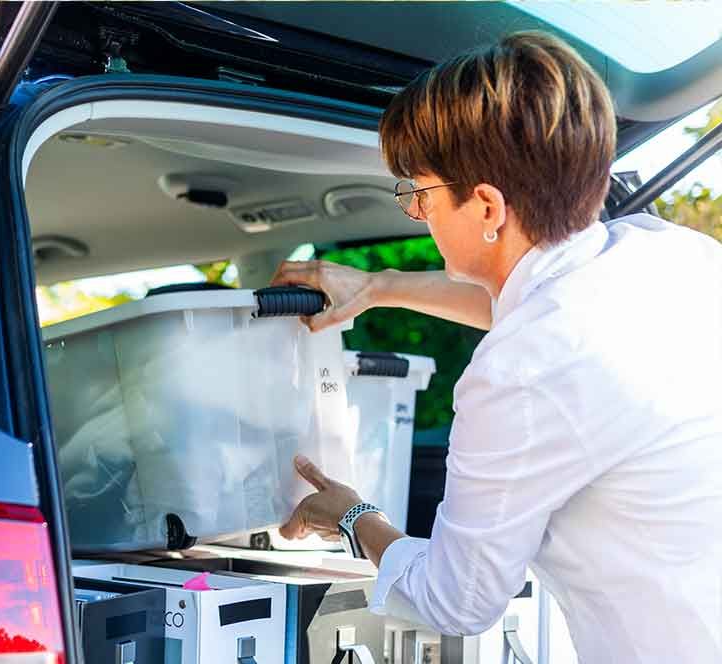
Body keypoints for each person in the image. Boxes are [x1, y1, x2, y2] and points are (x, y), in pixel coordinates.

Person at [272, 31, 722, 663]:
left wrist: (351, 515)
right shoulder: (669, 255)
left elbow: (457, 601)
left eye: (420, 195)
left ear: (486, 205)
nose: (420, 215)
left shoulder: (523, 366)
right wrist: (376, 287)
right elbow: (523, 299)